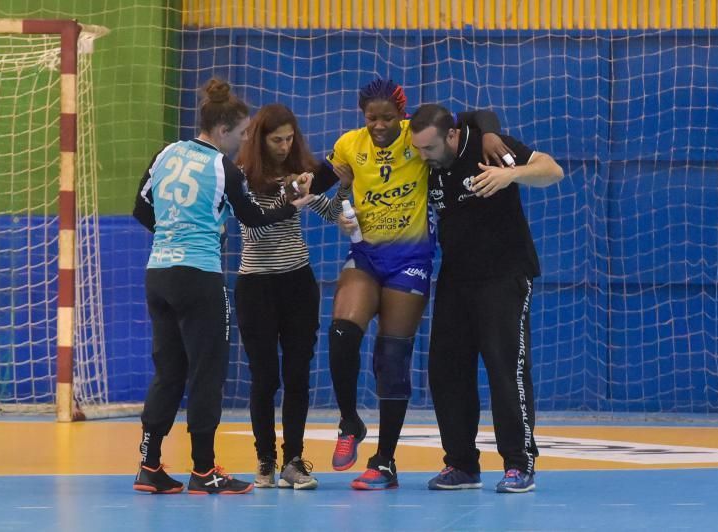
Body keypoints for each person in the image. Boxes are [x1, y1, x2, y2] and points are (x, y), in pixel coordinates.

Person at [312, 78, 511, 490]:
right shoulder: (350, 144)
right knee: (341, 332)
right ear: (362, 117)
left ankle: (384, 461)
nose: (380, 125)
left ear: (401, 116)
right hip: (366, 256)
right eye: (372, 118)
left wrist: (490, 131)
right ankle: (350, 420)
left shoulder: (416, 139)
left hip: (411, 261)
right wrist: (305, 189)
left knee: (393, 356)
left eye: (388, 117)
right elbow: (319, 182)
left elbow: (470, 118)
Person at [130, 79, 313, 495]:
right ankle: (203, 470)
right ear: (224, 131)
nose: (246, 139)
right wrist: (292, 206)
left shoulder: (167, 152)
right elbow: (252, 218)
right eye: (244, 132)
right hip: (199, 277)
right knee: (206, 373)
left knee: (168, 371)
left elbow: (141, 208)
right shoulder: (222, 167)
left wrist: (172, 234)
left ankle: (149, 464)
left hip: (158, 273)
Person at [409, 103, 563, 493]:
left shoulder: (487, 148)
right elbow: (476, 112)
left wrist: (510, 174)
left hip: (505, 275)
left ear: (452, 135)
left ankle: (519, 463)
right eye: (418, 149)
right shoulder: (427, 163)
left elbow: (552, 169)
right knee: (446, 370)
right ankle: (461, 464)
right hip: (456, 278)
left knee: (505, 367)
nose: (422, 157)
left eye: (428, 148)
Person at [233, 104, 352, 490]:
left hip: (298, 284)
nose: (284, 146)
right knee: (264, 377)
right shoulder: (241, 179)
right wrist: (289, 200)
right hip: (256, 287)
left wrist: (344, 187)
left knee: (297, 374)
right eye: (276, 139)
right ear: (260, 140)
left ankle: (294, 461)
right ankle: (265, 459)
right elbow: (256, 231)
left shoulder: (296, 178)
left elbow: (331, 213)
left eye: (289, 139)